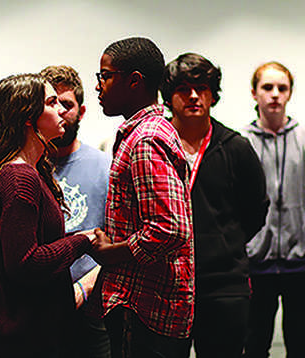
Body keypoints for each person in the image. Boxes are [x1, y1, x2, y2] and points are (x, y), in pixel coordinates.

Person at [0, 73, 99, 358]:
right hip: (26, 341)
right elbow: (25, 263)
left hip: (36, 336)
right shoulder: (19, 178)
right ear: (29, 117)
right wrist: (83, 241)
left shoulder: (30, 171)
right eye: (52, 103)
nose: (61, 111)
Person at [88, 37, 194, 358]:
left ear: (134, 81)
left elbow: (170, 228)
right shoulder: (142, 133)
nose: (98, 87)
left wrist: (111, 253)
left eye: (104, 76)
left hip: (145, 311)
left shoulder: (146, 140)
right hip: (142, 307)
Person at [160, 53, 269, 358]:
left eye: (202, 87)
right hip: (166, 285)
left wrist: (223, 242)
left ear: (212, 94)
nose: (193, 96)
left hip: (224, 285)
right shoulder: (155, 146)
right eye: (183, 88)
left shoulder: (236, 147)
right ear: (169, 96)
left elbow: (255, 211)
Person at [242, 62, 305, 358]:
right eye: (267, 87)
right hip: (256, 265)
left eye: (282, 88)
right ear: (254, 93)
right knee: (254, 346)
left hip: (300, 265)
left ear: (290, 93)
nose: (275, 94)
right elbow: (233, 207)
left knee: (300, 346)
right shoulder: (242, 144)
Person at [40, 65, 111, 358]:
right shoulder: (25, 166)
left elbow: (118, 237)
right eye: (51, 102)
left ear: (81, 112)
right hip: (37, 307)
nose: (59, 111)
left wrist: (84, 287)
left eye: (67, 104)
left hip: (92, 310)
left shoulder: (105, 167)